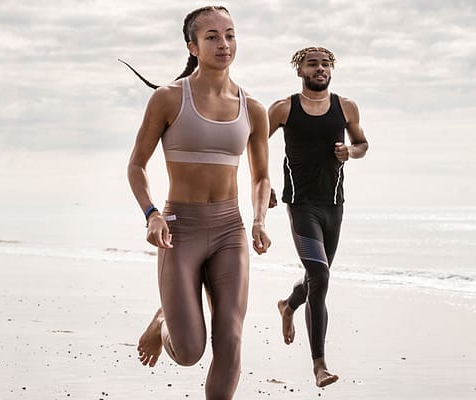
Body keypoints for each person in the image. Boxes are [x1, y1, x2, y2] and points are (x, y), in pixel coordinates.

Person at [126, 6, 271, 400]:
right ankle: (163, 322)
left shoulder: (253, 108)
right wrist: (151, 214)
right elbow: (136, 166)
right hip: (179, 229)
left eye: (230, 34)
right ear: (193, 45)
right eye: (212, 37)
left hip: (230, 231)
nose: (224, 44)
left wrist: (259, 220)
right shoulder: (168, 99)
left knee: (231, 338)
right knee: (190, 351)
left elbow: (260, 176)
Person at [268, 46, 368, 388]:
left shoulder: (346, 107)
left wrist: (349, 152)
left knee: (316, 278)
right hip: (300, 204)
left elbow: (362, 144)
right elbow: (255, 143)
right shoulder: (284, 108)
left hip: (334, 204)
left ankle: (287, 305)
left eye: (326, 64)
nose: (320, 68)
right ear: (301, 71)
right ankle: (319, 365)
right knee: (320, 275)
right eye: (313, 64)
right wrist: (262, 183)